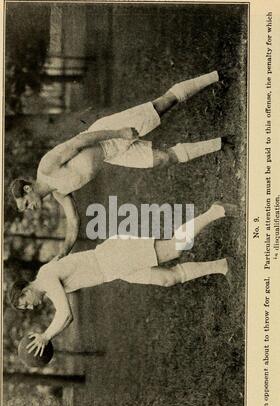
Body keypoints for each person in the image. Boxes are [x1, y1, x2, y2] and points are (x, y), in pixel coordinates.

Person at [10, 70, 229, 259]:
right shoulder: (59, 193)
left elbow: (80, 141)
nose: (30, 209)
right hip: (111, 155)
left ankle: (216, 76)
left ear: (27, 189)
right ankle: (221, 143)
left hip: (107, 133)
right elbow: (74, 222)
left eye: (26, 204)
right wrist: (62, 253)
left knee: (163, 104)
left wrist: (120, 132)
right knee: (163, 159)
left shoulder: (47, 167)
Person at [9, 201, 238, 357]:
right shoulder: (46, 277)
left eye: (26, 302)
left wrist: (45, 336)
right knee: (168, 279)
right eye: (26, 308)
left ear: (26, 290)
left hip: (113, 257)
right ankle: (222, 266)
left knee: (174, 249)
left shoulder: (46, 279)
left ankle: (216, 211)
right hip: (113, 267)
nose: (31, 306)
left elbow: (66, 315)